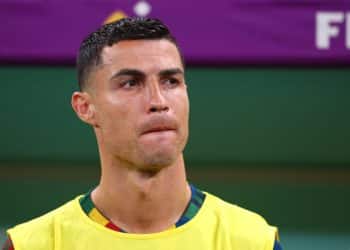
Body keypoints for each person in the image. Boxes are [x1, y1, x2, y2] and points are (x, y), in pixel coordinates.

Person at [3, 17, 282, 250]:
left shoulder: (253, 241)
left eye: (171, 81)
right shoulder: (34, 244)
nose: (158, 101)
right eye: (130, 83)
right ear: (85, 108)